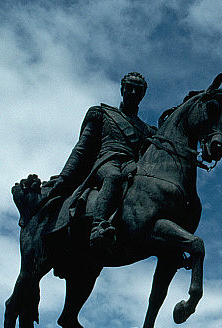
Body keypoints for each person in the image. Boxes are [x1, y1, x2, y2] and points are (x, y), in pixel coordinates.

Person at [47, 72, 156, 250]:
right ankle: (98, 227)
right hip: (106, 161)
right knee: (113, 177)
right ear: (122, 89)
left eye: (138, 90)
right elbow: (82, 148)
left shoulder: (147, 130)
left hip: (131, 165)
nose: (133, 93)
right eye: (129, 88)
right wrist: (65, 176)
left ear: (143, 94)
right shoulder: (102, 113)